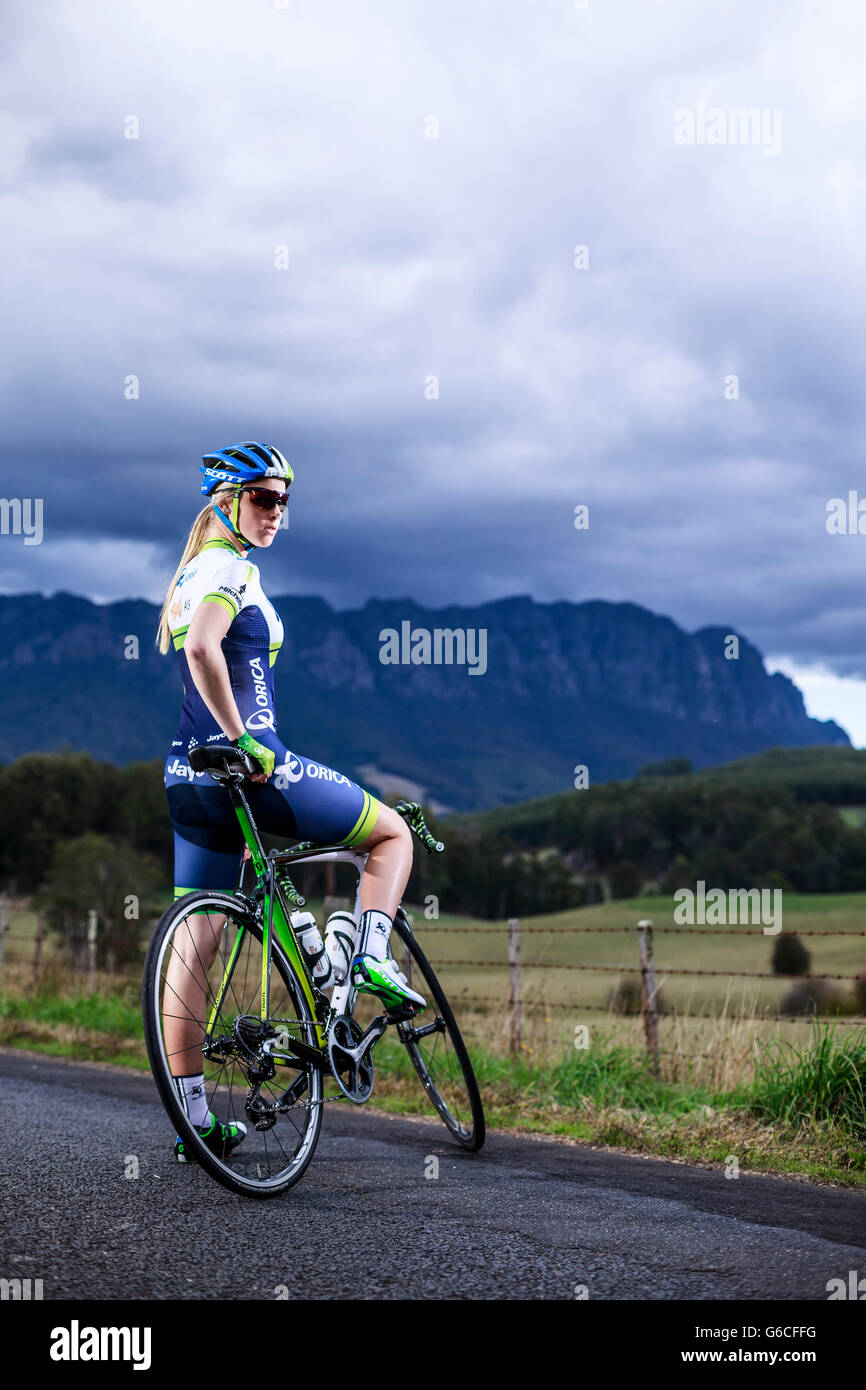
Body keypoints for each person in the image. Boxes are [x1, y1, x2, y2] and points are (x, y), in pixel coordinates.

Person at [155, 441, 424, 1162]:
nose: (277, 512)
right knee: (393, 834)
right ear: (223, 500)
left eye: (285, 500)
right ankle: (370, 957)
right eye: (264, 498)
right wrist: (246, 741)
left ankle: (195, 1123)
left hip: (189, 780)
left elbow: (198, 650)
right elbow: (205, 651)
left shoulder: (186, 575)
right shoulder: (231, 569)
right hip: (252, 771)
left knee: (193, 949)